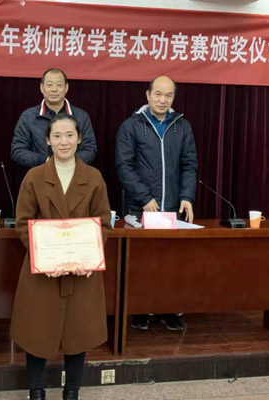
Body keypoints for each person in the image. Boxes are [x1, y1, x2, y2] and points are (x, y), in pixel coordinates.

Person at [10, 114, 112, 400]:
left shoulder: (93, 177)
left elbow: (103, 223)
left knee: (78, 334)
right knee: (37, 333)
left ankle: (72, 392)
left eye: (69, 135)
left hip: (81, 272)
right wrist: (45, 259)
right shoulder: (34, 177)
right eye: (57, 136)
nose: (63, 141)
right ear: (47, 140)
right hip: (42, 271)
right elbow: (23, 223)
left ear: (79, 138)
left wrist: (89, 258)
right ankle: (36, 392)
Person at [115, 75, 198, 332]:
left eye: (168, 95)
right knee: (141, 263)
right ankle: (140, 310)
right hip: (139, 209)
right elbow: (124, 166)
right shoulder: (131, 126)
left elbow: (189, 165)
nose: (162, 100)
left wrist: (187, 197)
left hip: (172, 209)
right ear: (148, 95)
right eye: (158, 94)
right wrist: (144, 197)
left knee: (170, 263)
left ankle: (168, 309)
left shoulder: (181, 126)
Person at [11, 68, 97, 168]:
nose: (54, 89)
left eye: (59, 85)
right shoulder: (28, 116)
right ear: (42, 88)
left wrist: (68, 161)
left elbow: (90, 150)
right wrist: (47, 161)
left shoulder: (81, 116)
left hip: (74, 173)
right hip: (39, 174)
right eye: (49, 85)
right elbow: (17, 151)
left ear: (66, 88)